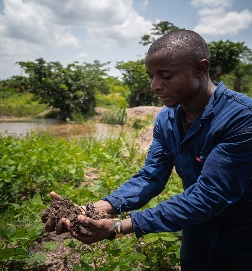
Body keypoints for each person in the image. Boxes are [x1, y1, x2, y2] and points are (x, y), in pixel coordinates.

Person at [42, 30, 252, 271]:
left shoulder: (242, 119)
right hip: (196, 235)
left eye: (166, 76)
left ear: (201, 68)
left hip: (242, 239)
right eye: (151, 76)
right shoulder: (167, 119)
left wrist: (120, 226)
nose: (154, 86)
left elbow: (209, 196)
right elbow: (151, 176)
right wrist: (96, 208)